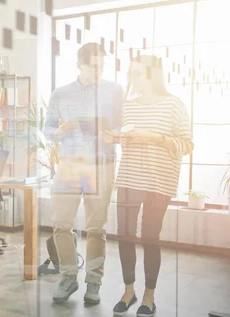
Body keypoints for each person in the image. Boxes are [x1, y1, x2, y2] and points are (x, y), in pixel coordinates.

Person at [106, 55, 193, 316]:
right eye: (130, 73)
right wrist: (115, 137)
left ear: (152, 75)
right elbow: (128, 141)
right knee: (124, 236)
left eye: (138, 74)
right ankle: (129, 290)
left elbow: (186, 144)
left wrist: (154, 137)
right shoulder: (129, 107)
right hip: (130, 178)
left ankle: (149, 296)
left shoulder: (173, 105)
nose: (132, 79)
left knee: (150, 238)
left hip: (159, 181)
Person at [44, 42, 124, 305]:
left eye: (102, 66)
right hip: (70, 164)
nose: (98, 70)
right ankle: (68, 277)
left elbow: (122, 128)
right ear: (79, 64)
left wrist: (112, 134)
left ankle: (94, 282)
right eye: (93, 66)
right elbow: (47, 131)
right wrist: (60, 131)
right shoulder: (60, 93)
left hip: (102, 164)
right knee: (61, 224)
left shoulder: (115, 91)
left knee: (96, 228)